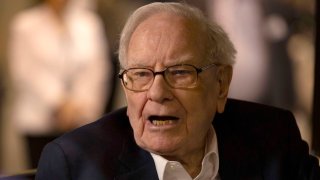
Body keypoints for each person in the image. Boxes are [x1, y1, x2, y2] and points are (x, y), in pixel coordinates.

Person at [36, 2, 320, 180]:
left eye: (180, 72)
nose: (158, 92)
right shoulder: (75, 164)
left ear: (221, 84)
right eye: (141, 74)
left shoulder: (275, 138)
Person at [6, 0, 112, 170]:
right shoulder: (25, 24)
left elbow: (97, 70)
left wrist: (79, 107)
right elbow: (25, 71)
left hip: (81, 120)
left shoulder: (89, 23)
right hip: (39, 121)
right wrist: (60, 103)